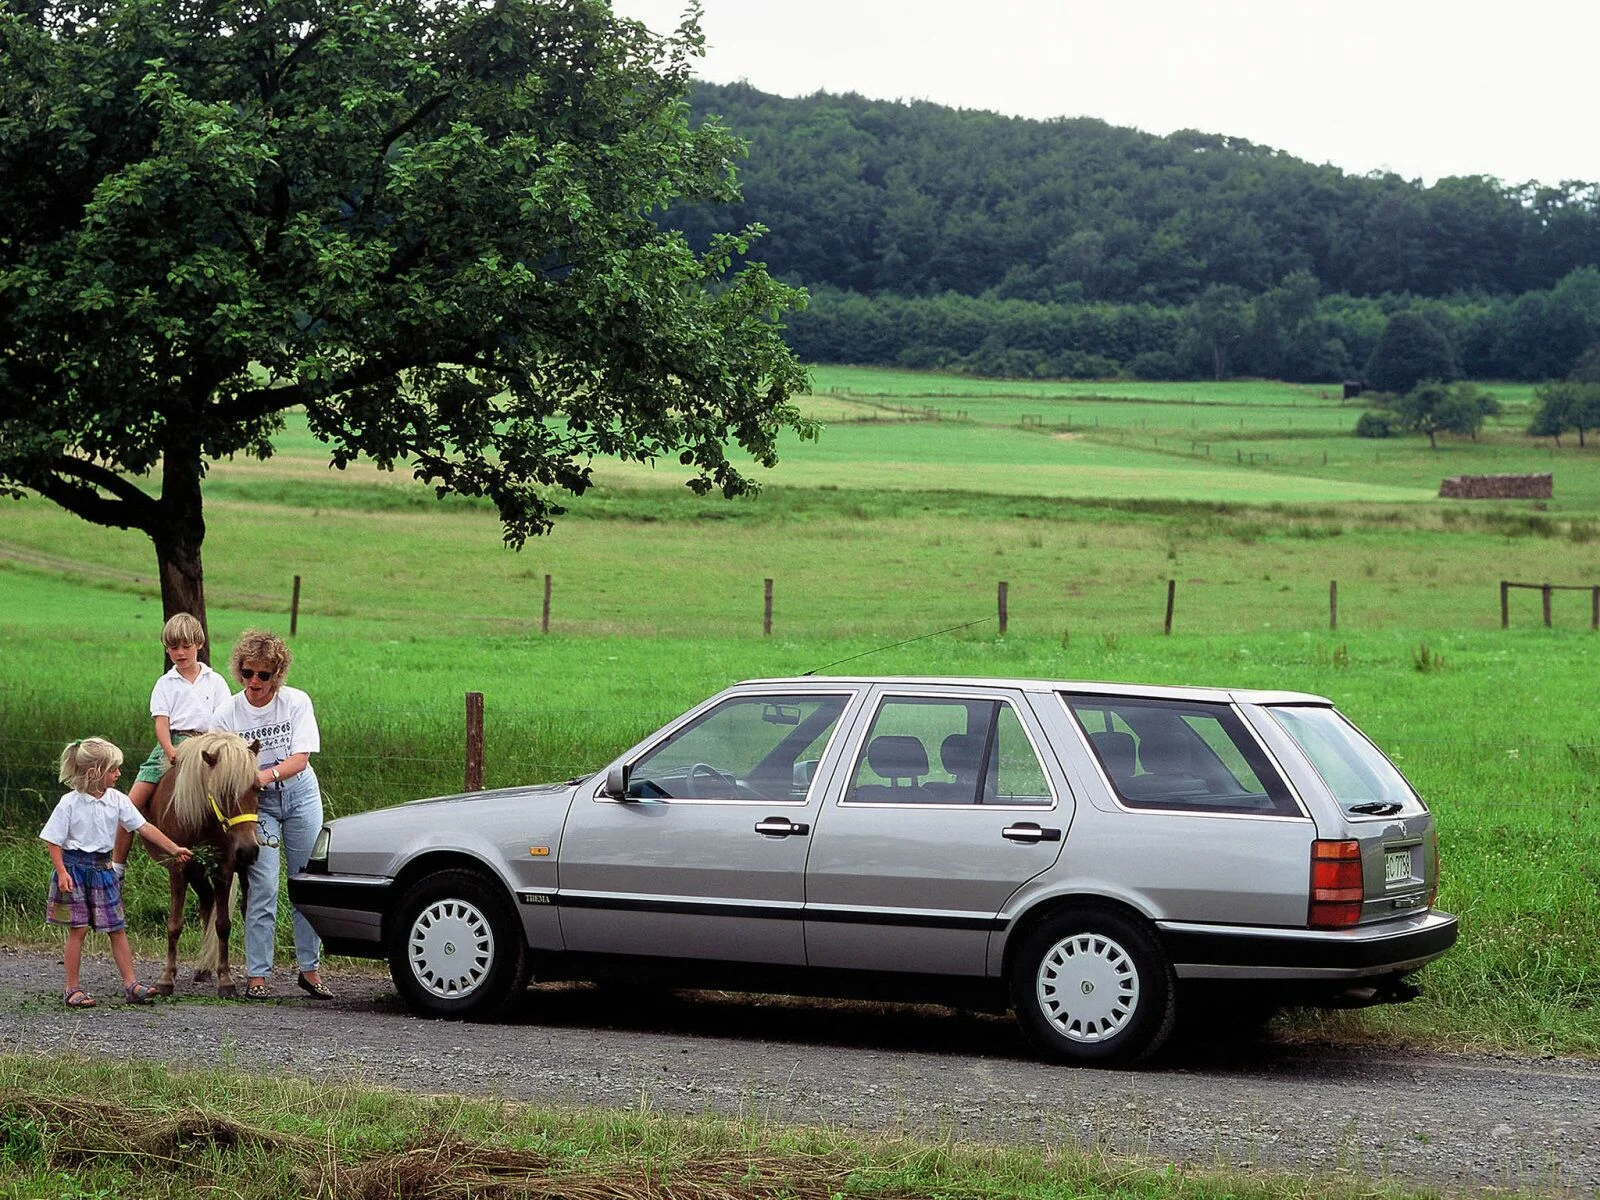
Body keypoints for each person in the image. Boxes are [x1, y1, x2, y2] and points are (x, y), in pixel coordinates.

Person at [210, 629, 333, 1000]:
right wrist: (248, 787)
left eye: (264, 674)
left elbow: (300, 758)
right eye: (248, 673)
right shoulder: (227, 713)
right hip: (255, 806)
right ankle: (258, 975)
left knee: (305, 883)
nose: (255, 681)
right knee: (263, 885)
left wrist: (262, 775)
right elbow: (219, 767)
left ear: (277, 675)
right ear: (239, 671)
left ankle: (309, 969)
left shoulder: (295, 702)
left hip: (298, 796)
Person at [42, 737, 192, 1007]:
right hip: (75, 870)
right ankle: (72, 989)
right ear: (94, 773)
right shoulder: (69, 803)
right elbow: (53, 840)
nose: (119, 774)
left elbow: (144, 827)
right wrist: (62, 872)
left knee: (117, 928)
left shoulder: (118, 800)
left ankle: (131, 985)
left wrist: (173, 848)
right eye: (113, 770)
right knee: (78, 930)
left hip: (104, 870)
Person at [112, 612, 231, 874]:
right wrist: (169, 751)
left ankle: (238, 854)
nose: (180, 653)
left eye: (186, 646)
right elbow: (161, 723)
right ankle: (117, 867)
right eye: (173, 647)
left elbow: (223, 720)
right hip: (175, 741)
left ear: (199, 644)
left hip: (207, 744)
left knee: (235, 793)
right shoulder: (165, 684)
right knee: (128, 806)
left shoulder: (215, 681)